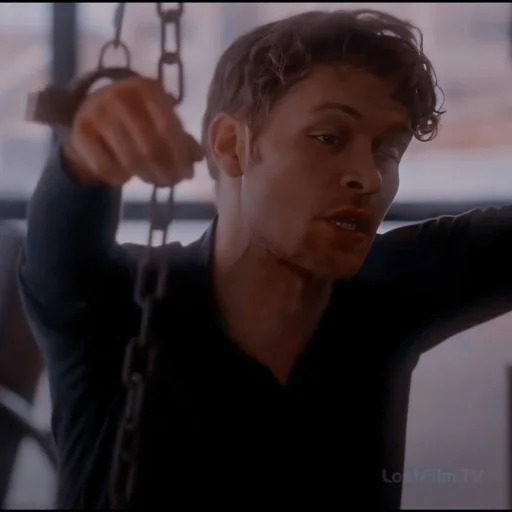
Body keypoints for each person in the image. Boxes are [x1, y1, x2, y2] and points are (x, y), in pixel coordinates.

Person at [17, 8, 512, 510]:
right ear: (231, 146)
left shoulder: (385, 291)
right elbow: (60, 244)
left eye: (387, 150)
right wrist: (83, 158)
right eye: (329, 137)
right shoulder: (113, 307)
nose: (368, 177)